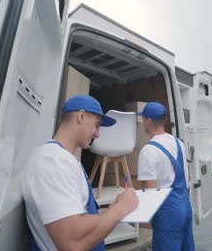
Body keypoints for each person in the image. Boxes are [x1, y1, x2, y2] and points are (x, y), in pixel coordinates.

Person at [22, 95, 139, 251]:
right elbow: (72, 242)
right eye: (97, 125)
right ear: (81, 117)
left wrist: (109, 210)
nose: (98, 134)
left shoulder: (66, 159)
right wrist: (121, 208)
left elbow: (77, 213)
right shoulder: (53, 161)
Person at [137, 102, 195, 251]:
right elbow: (187, 178)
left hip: (167, 213)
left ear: (148, 121)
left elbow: (150, 193)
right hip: (185, 206)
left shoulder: (148, 151)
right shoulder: (179, 143)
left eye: (143, 119)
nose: (143, 122)